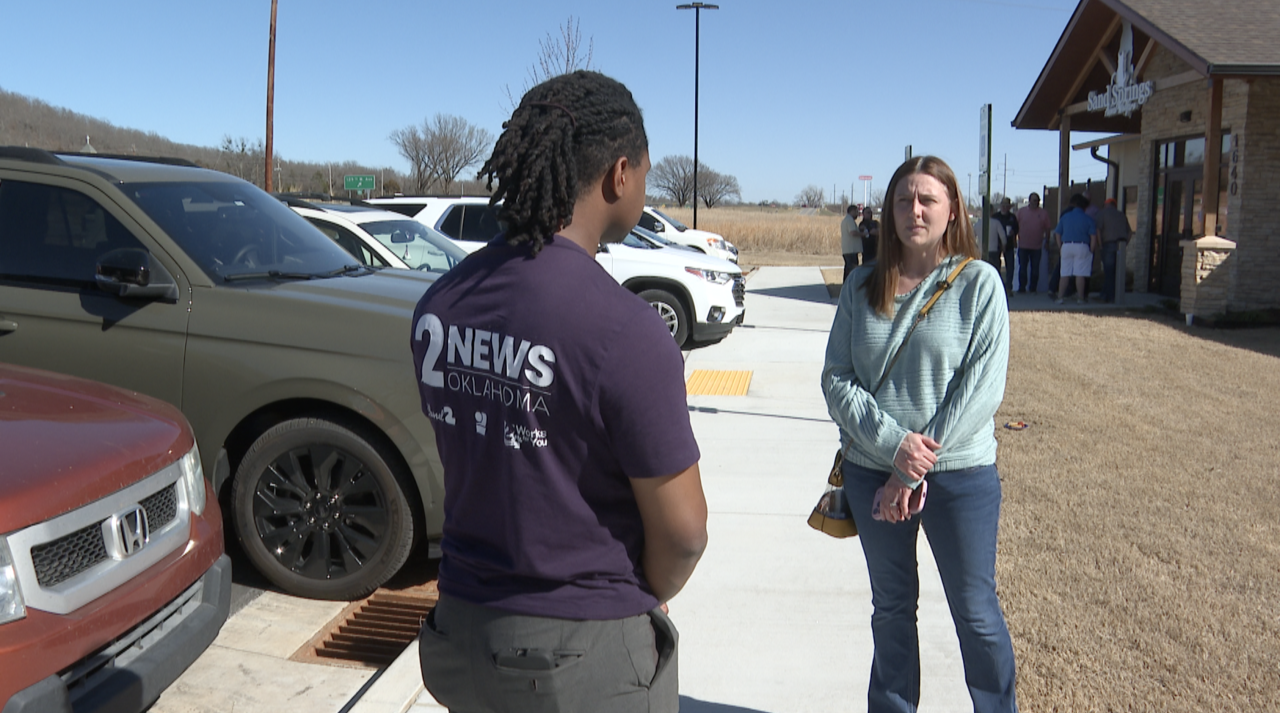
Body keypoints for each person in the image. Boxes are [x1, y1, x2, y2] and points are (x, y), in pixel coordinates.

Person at [411, 70, 708, 713]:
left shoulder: (439, 303)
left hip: (461, 634)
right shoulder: (625, 329)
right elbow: (684, 532)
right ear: (619, 174)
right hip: (580, 659)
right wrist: (643, 593)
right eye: (647, 175)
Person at [822, 155, 1016, 713]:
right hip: (871, 473)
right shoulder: (861, 284)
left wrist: (911, 465)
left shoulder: (979, 284)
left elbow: (981, 390)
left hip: (960, 478)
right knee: (891, 607)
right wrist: (893, 447)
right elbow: (836, 380)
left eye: (928, 199)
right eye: (904, 199)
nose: (915, 210)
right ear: (889, 209)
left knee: (975, 611)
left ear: (952, 208)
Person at [1052, 193, 1099, 305]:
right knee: (1080, 273)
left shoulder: (1065, 217)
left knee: (1064, 273)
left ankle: (1060, 297)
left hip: (1066, 245)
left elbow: (1057, 233)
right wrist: (1091, 250)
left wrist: (1060, 246)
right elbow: (1093, 236)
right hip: (1082, 246)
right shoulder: (1088, 219)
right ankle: (1080, 298)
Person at [1095, 197, 1131, 303]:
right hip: (1121, 244)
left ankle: (1109, 297)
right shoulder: (1121, 215)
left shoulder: (1102, 214)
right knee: (1117, 272)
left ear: (1106, 205)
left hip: (1108, 244)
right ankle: (1106, 294)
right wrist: (1125, 244)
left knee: (1109, 272)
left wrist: (1100, 245)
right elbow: (1129, 233)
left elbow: (1098, 230)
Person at [1015, 192, 1050, 294]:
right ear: (1029, 200)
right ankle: (1022, 288)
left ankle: (1033, 288)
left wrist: (1047, 241)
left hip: (1037, 246)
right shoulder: (1021, 212)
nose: (1036, 202)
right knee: (1022, 268)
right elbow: (1015, 226)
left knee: (1035, 269)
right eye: (1034, 200)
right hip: (1023, 245)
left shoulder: (1043, 213)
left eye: (1038, 200)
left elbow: (1048, 228)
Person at [994, 197, 1019, 292]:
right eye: (1003, 205)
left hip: (1009, 243)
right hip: (997, 244)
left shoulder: (1012, 217)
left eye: (1006, 206)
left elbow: (1017, 228)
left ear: (1009, 207)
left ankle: (1009, 287)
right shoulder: (995, 217)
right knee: (997, 265)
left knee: (1010, 266)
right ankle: (998, 286)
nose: (1004, 207)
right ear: (1000, 206)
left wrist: (1014, 232)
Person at [842, 204, 863, 279]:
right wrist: (863, 234)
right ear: (852, 211)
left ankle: (846, 286)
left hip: (848, 250)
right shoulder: (850, 220)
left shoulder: (846, 220)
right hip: (851, 250)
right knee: (852, 271)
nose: (857, 214)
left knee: (848, 270)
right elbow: (853, 232)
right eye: (856, 212)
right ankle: (850, 287)